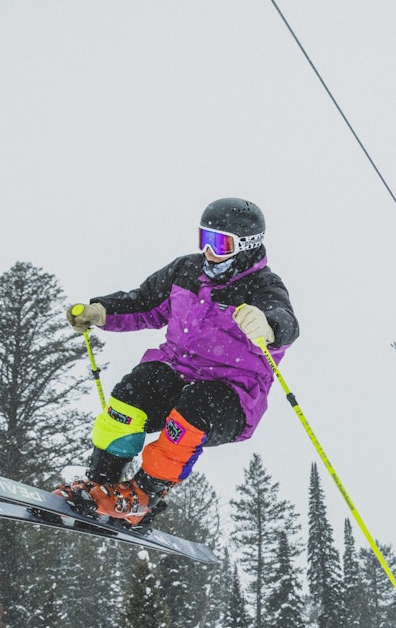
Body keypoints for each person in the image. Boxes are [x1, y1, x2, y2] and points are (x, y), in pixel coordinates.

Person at [56, 197, 298, 527]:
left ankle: (142, 496)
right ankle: (102, 483)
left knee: (196, 403)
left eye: (221, 243)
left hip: (231, 399)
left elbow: (285, 320)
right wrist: (101, 312)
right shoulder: (187, 271)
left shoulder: (262, 286)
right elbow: (143, 302)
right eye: (205, 239)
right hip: (177, 377)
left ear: (247, 246)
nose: (210, 252)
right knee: (136, 386)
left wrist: (269, 327)